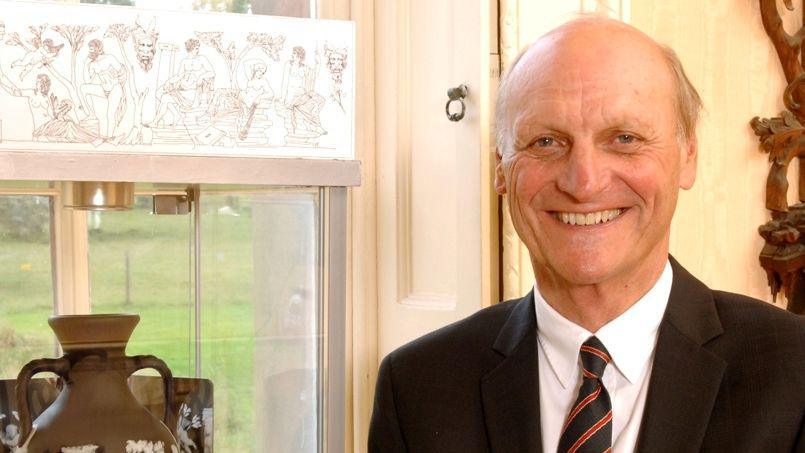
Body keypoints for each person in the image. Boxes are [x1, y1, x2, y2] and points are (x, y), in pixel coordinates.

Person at [368, 17, 805, 453]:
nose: (584, 182)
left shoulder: (794, 373)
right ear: (500, 166)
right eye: (546, 142)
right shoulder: (416, 390)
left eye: (624, 138)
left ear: (687, 156)